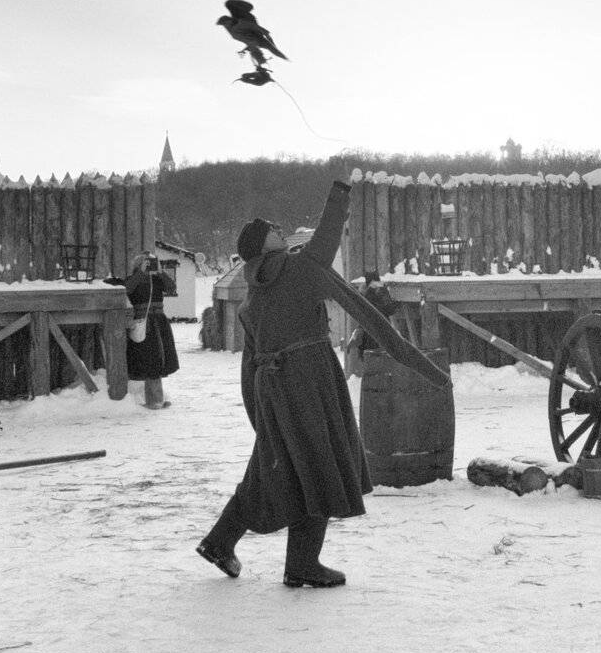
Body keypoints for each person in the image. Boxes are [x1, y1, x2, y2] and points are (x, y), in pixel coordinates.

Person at [196, 182, 372, 588]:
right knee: (317, 464)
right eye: (271, 229)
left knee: (275, 468)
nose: (278, 228)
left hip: (273, 389)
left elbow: (250, 362)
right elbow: (326, 240)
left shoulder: (254, 290)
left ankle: (220, 542)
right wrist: (339, 197)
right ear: (263, 245)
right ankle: (302, 565)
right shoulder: (297, 270)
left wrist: (259, 411)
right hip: (309, 382)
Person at [117, 251, 179, 410]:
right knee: (147, 360)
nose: (150, 265)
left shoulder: (157, 279)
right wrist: (141, 273)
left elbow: (171, 288)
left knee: (157, 360)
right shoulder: (133, 279)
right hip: (143, 324)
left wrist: (161, 272)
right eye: (146, 263)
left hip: (158, 322)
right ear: (139, 265)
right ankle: (152, 400)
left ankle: (156, 399)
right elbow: (126, 289)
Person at [344, 271, 401, 378]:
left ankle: (372, 377)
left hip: (368, 329)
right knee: (381, 358)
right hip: (381, 329)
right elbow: (389, 309)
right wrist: (395, 304)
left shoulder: (364, 293)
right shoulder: (380, 291)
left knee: (370, 360)